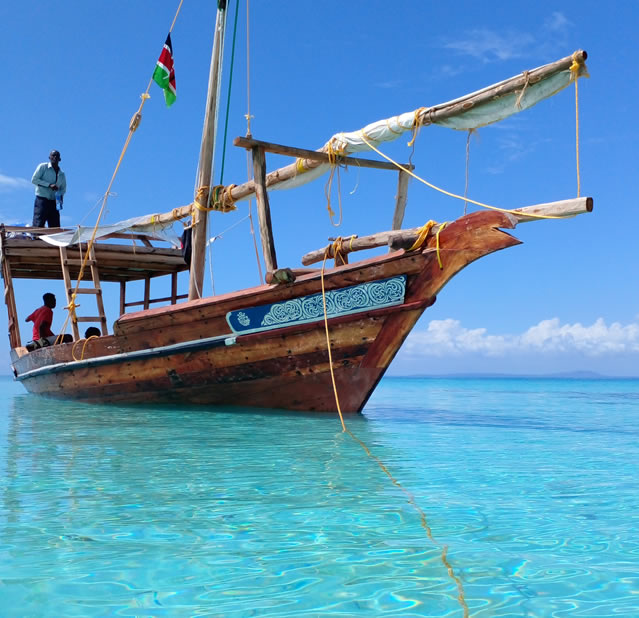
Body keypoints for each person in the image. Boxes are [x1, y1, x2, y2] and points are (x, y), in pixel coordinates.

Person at [31, 150, 66, 228]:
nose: (55, 157)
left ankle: (53, 239)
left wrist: (60, 198)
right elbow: (34, 180)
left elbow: (63, 189)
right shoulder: (43, 167)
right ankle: (36, 238)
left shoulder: (62, 174)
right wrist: (49, 185)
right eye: (53, 155)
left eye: (57, 156)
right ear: (49, 157)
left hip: (54, 202)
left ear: (60, 159)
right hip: (42, 200)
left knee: (55, 226)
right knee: (38, 223)